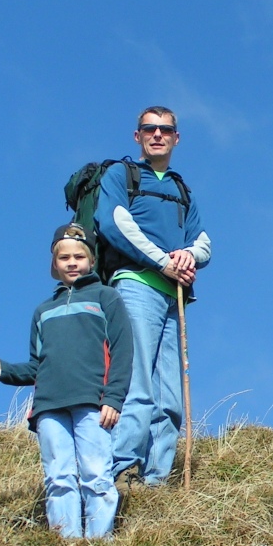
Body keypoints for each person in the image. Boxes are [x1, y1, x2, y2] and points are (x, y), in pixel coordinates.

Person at [0, 223, 133, 539]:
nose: (72, 263)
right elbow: (37, 366)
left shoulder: (106, 298)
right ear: (54, 263)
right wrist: (2, 369)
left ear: (91, 260)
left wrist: (113, 398)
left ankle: (99, 544)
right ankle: (66, 543)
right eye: (64, 258)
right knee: (58, 477)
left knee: (96, 475)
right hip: (49, 406)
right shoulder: (43, 311)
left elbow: (122, 351)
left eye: (79, 256)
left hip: (93, 402)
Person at [96, 106, 211, 488]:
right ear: (138, 136)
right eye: (149, 129)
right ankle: (110, 472)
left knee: (170, 399)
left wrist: (187, 256)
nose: (157, 135)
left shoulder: (181, 189)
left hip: (173, 297)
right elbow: (114, 222)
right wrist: (163, 261)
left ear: (177, 138)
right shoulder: (121, 174)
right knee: (137, 384)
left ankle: (154, 481)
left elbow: (203, 242)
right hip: (135, 285)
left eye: (165, 129)